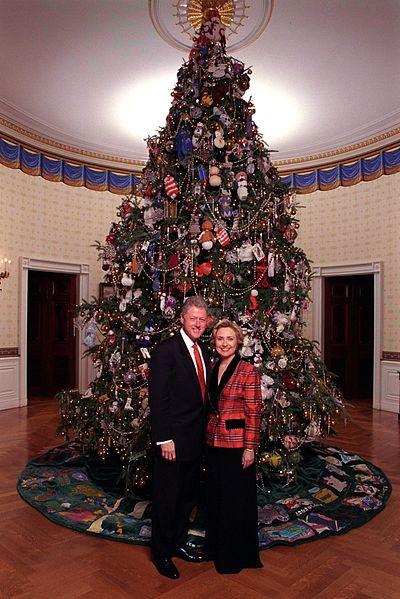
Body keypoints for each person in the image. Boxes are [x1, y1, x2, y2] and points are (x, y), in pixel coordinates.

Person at [149, 295, 211, 579]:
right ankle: (161, 552)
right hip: (172, 441)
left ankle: (177, 543)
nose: (198, 324)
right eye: (193, 319)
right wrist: (164, 439)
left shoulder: (205, 351)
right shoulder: (167, 350)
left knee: (187, 497)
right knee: (167, 498)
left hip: (195, 440)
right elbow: (158, 398)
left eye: (202, 319)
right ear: (182, 320)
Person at [205, 319, 263, 574]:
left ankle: (234, 557)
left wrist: (250, 447)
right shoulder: (213, 367)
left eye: (230, 339)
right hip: (213, 442)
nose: (225, 343)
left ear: (238, 342)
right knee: (216, 498)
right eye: (220, 339)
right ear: (214, 342)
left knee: (235, 501)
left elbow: (254, 412)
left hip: (238, 445)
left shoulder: (247, 370)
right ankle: (216, 549)